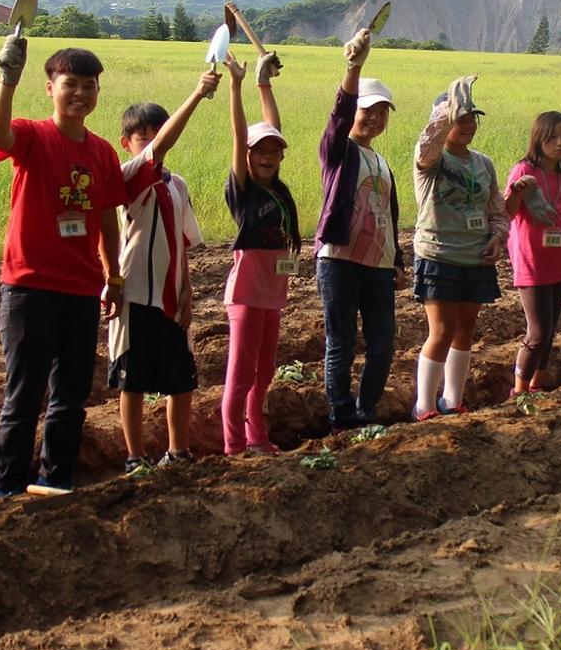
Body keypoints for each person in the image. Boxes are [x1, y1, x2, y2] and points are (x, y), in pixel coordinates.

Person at [0, 31, 128, 497]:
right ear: (51, 88)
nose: (81, 94)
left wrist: (113, 273)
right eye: (71, 84)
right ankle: (7, 488)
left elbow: (106, 216)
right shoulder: (32, 135)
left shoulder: (103, 151)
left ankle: (55, 478)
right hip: (30, 286)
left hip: (82, 289)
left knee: (71, 396)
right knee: (23, 396)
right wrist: (7, 79)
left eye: (90, 86)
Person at [112, 71, 220, 470]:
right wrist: (195, 93)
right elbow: (160, 149)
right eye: (144, 136)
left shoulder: (178, 184)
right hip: (135, 293)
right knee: (133, 379)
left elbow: (182, 241)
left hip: (172, 295)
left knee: (180, 378)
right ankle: (135, 457)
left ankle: (178, 451)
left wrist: (188, 289)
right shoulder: (129, 177)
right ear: (127, 143)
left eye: (156, 133)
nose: (153, 141)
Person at [315, 30, 403, 430]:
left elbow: (390, 214)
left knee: (383, 346)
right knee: (342, 343)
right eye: (369, 110)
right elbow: (338, 113)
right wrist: (354, 68)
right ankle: (341, 414)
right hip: (340, 261)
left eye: (383, 112)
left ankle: (367, 409)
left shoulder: (381, 161)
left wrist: (398, 261)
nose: (375, 118)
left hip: (379, 267)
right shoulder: (339, 151)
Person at [221, 53, 301, 453]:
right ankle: (234, 447)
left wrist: (263, 84)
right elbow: (240, 135)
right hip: (248, 294)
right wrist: (236, 85)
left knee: (265, 370)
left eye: (274, 149)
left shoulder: (278, 191)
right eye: (259, 150)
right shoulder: (244, 190)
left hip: (274, 292)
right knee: (241, 373)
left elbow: (274, 126)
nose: (268, 155)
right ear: (248, 156)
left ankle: (258, 437)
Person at [412, 77, 505, 418]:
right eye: (460, 119)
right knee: (441, 330)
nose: (467, 126)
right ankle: (423, 406)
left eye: (471, 119)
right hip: (439, 254)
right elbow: (427, 143)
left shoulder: (483, 163)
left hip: (475, 256)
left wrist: (497, 237)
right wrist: (447, 109)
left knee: (466, 328)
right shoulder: (431, 161)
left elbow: (496, 209)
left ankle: (453, 400)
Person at [505, 111, 561, 393]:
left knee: (549, 331)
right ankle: (519, 392)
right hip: (532, 261)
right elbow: (509, 212)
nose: (559, 143)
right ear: (538, 139)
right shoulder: (524, 171)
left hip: (559, 261)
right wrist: (516, 190)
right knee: (537, 333)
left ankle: (537, 386)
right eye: (552, 137)